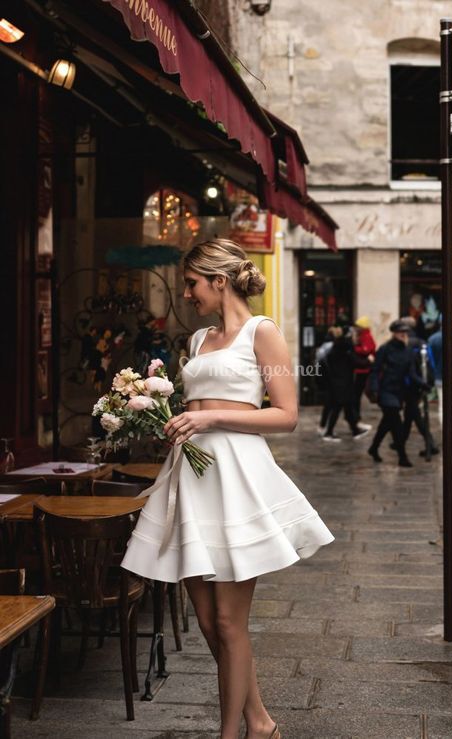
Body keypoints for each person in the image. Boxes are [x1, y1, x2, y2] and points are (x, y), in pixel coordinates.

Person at [121, 239, 334, 739]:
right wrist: (169, 418)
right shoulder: (196, 341)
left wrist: (210, 415)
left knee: (230, 621)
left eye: (192, 283)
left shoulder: (265, 333)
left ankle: (230, 734)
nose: (187, 293)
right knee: (211, 624)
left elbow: (286, 415)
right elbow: (195, 404)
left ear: (219, 281)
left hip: (238, 478)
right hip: (191, 480)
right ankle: (259, 721)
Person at [367, 320, 425, 467]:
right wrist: (374, 388)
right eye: (400, 332)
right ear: (394, 333)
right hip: (385, 391)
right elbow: (375, 370)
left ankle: (373, 448)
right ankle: (402, 456)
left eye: (405, 332)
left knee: (387, 422)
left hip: (399, 392)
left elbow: (412, 373)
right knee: (396, 424)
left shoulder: (408, 352)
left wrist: (423, 384)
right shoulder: (385, 349)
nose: (403, 335)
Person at [321, 325, 371, 442]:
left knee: (346, 407)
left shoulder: (338, 347)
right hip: (341, 383)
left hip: (340, 382)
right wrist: (369, 361)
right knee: (338, 407)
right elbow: (356, 362)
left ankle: (355, 430)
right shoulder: (345, 349)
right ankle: (329, 433)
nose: (356, 337)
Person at [399, 316, 439, 457]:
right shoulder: (422, 342)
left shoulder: (406, 343)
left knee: (413, 413)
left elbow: (404, 366)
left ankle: (430, 442)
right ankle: (401, 441)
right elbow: (431, 363)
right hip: (420, 382)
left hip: (410, 384)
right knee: (410, 414)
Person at [352, 316, 376, 430]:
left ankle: (356, 418)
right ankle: (355, 418)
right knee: (355, 395)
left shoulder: (366, 337)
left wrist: (354, 348)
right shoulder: (362, 336)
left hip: (363, 370)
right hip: (360, 369)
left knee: (356, 395)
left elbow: (366, 350)